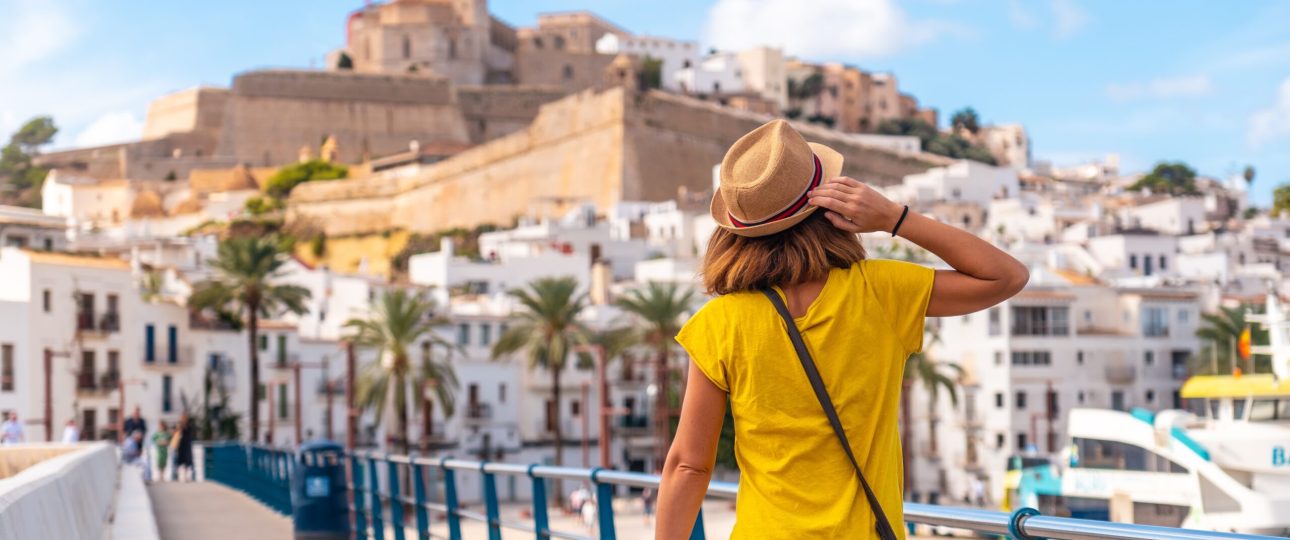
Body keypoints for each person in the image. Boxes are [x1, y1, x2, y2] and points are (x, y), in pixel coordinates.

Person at [655, 120, 1028, 539]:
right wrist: (894, 217)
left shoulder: (719, 323)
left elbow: (689, 465)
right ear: (828, 205)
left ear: (735, 231)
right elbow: (1006, 276)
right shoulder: (880, 291)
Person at [172, 413, 196, 482]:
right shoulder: (178, 425)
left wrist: (183, 428)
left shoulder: (189, 426)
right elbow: (174, 433)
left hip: (187, 445)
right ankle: (177, 476)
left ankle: (186, 477)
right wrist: (178, 429)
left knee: (187, 461)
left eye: (185, 418)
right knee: (179, 461)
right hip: (180, 445)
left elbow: (191, 434)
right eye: (183, 418)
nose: (184, 419)